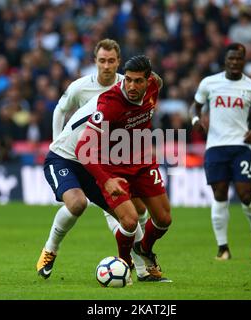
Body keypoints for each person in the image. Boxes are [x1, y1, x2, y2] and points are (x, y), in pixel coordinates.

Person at [36, 39, 150, 281]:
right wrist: (56, 142)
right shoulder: (87, 89)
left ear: (119, 62)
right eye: (102, 61)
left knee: (127, 214)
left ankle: (144, 271)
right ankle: (50, 249)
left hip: (99, 160)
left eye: (111, 61)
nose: (107, 66)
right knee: (78, 204)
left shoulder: (129, 85)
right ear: (95, 62)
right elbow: (61, 111)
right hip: (66, 157)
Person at [75, 55, 172, 280]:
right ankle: (124, 265)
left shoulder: (154, 85)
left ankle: (144, 249)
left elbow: (159, 81)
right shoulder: (110, 104)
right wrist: (106, 180)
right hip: (113, 168)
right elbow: (83, 148)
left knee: (164, 219)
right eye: (127, 80)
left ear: (148, 80)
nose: (131, 86)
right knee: (129, 220)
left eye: (138, 81)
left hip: (142, 162)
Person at [190, 43, 251, 260]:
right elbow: (195, 105)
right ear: (225, 60)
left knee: (245, 195)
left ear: (244, 61)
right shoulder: (209, 83)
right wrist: (196, 119)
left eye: (239, 59)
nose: (234, 62)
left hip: (240, 147)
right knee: (219, 195)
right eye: (231, 59)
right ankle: (223, 247)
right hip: (215, 147)